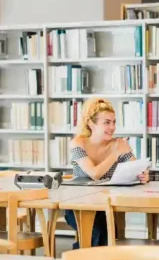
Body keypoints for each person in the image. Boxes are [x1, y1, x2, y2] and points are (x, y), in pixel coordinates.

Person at [63, 97, 149, 249]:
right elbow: (94, 174)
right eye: (107, 122)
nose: (112, 127)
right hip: (78, 203)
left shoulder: (118, 144)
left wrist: (143, 174)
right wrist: (115, 154)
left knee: (106, 234)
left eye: (114, 122)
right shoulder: (78, 143)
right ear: (91, 124)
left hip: (105, 203)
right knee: (96, 232)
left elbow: (136, 167)